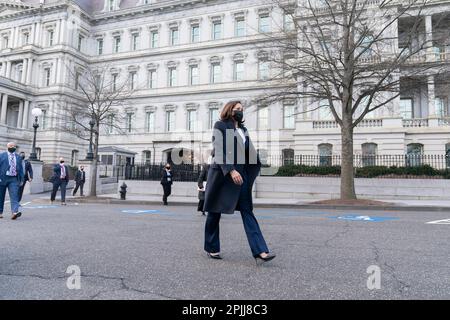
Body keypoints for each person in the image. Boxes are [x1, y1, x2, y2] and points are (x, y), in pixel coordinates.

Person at [203, 101, 275, 263]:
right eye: (237, 109)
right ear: (229, 110)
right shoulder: (221, 125)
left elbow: (248, 153)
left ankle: (260, 251)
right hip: (223, 175)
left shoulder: (243, 130)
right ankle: (212, 247)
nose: (240, 112)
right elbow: (219, 150)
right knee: (214, 212)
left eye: (242, 110)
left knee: (247, 211)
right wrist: (231, 170)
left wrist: (251, 170)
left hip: (241, 177)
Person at [0, 142, 24, 220]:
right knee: (1, 196)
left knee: (14, 195)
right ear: (7, 147)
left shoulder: (18, 157)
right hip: (2, 178)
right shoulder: (1, 156)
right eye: (11, 146)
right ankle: (0, 212)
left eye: (14, 146)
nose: (12, 147)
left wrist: (21, 179)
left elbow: (20, 169)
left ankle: (15, 212)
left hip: (13, 179)